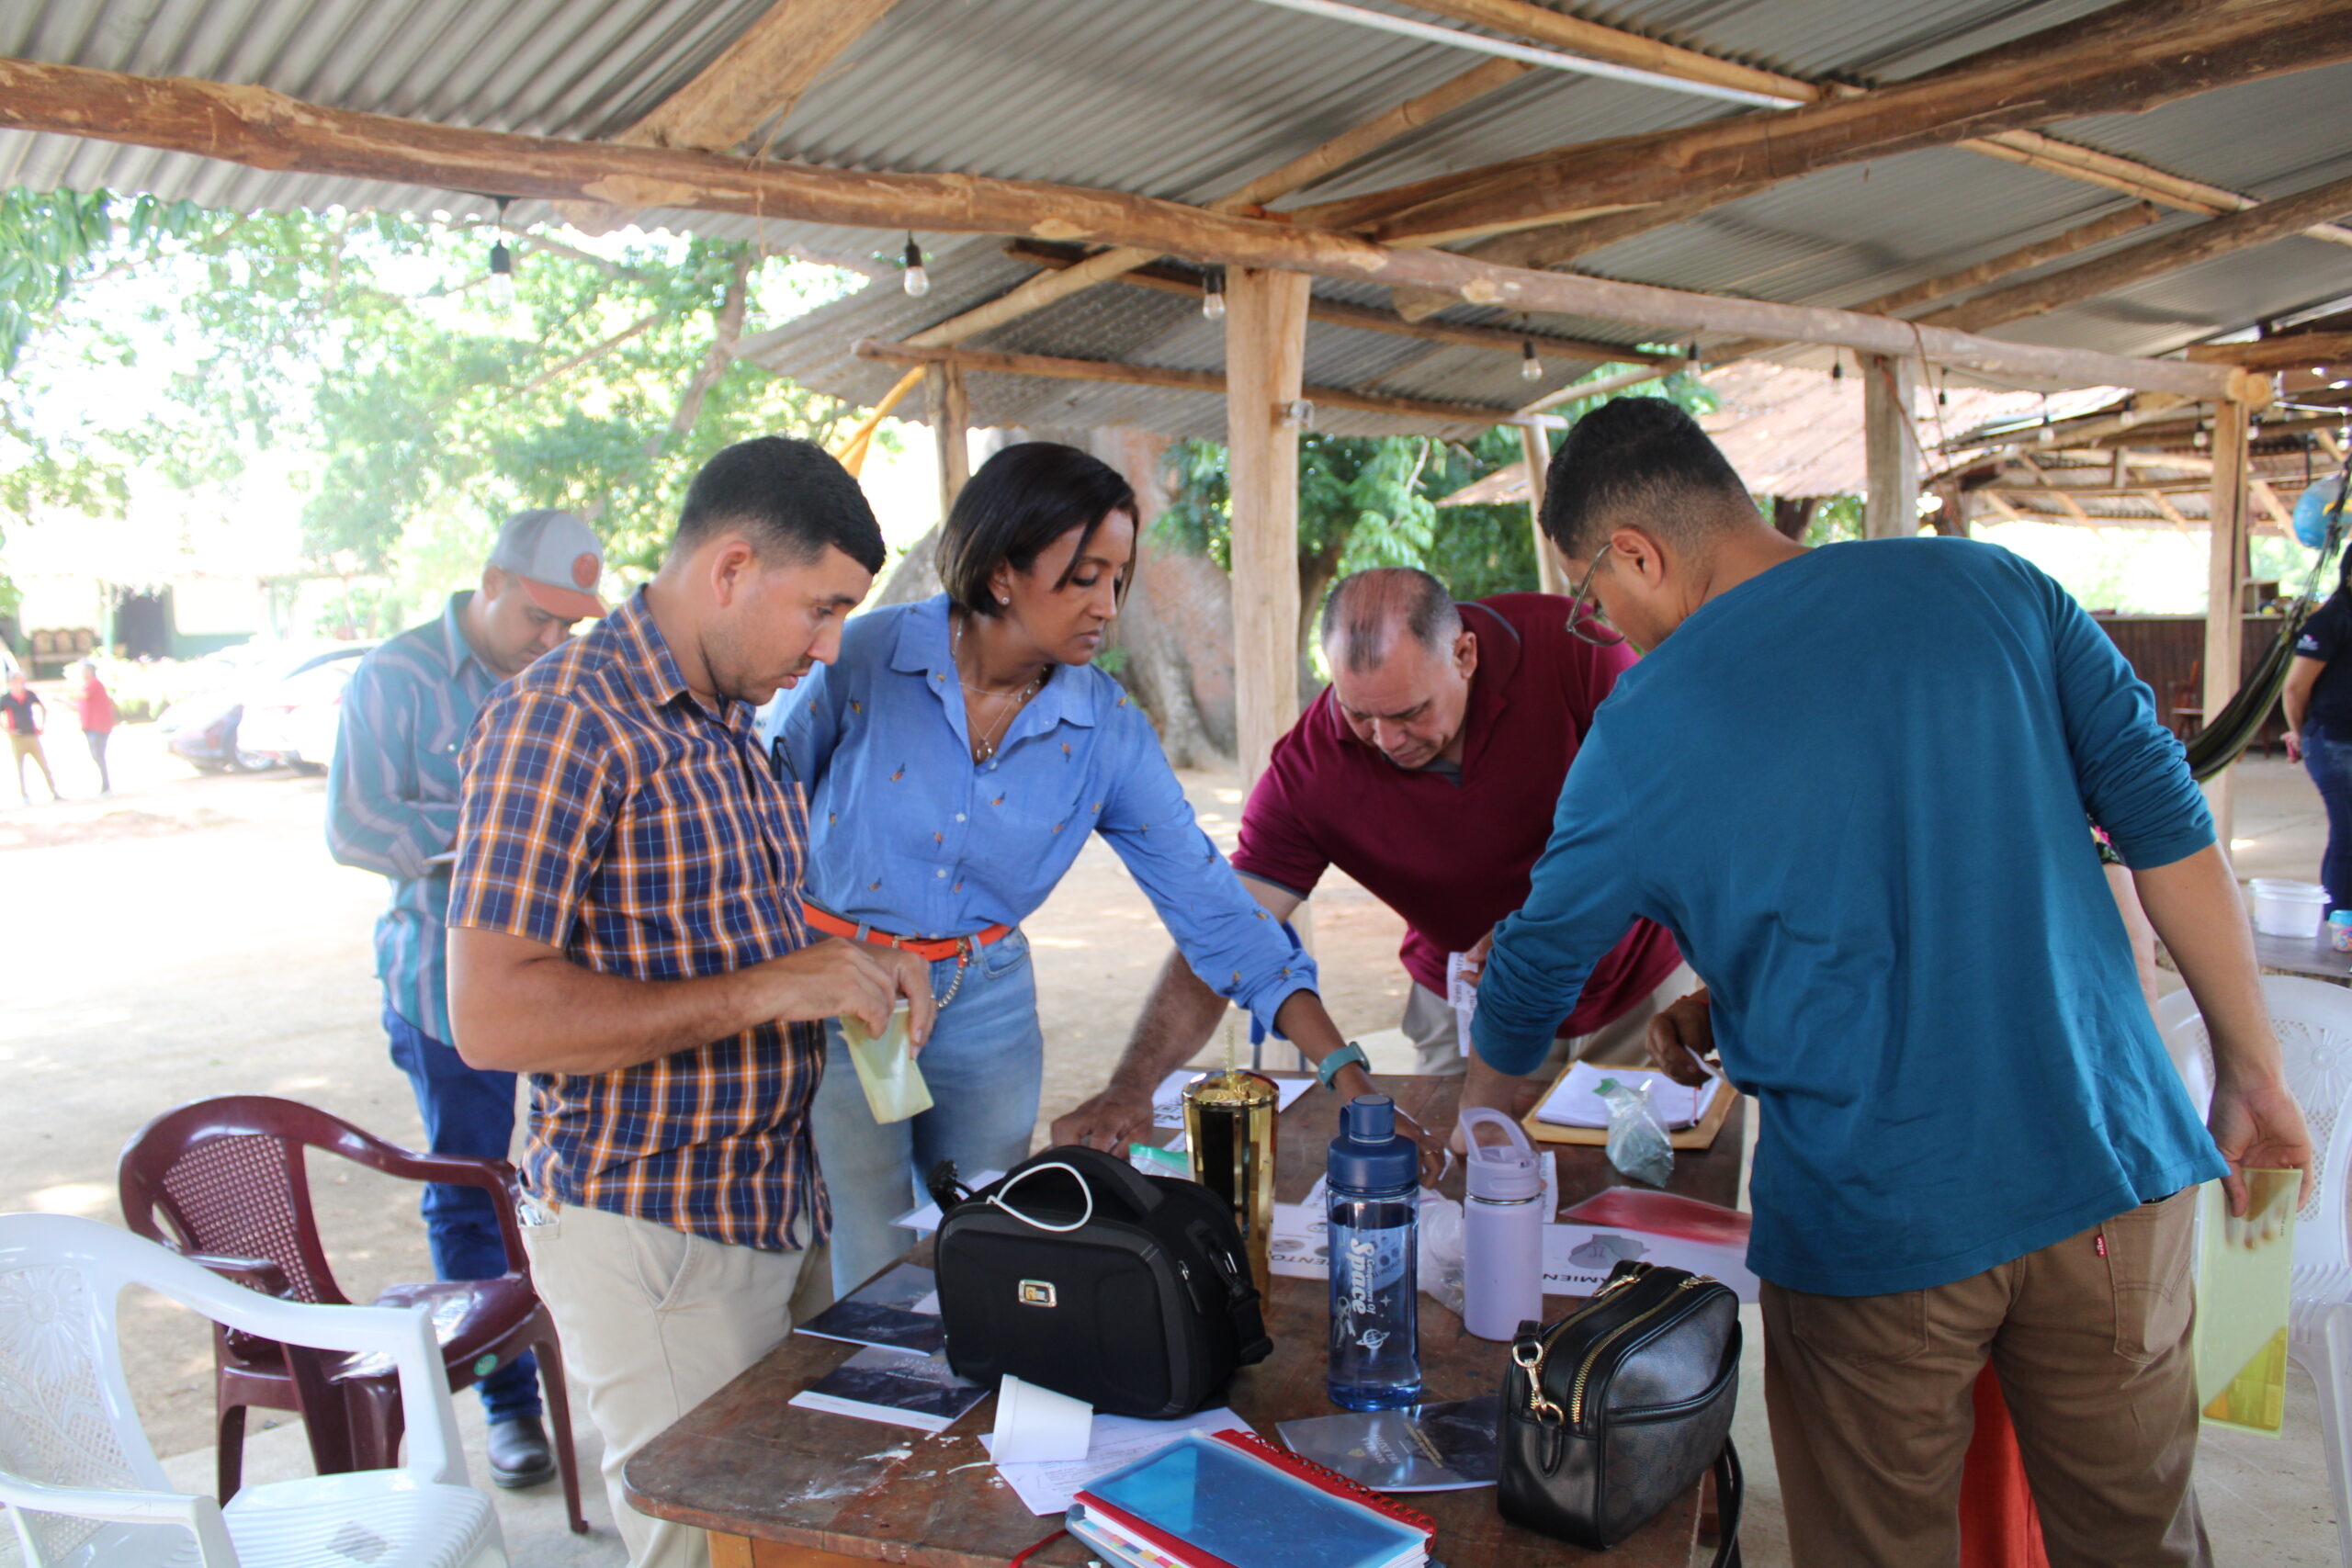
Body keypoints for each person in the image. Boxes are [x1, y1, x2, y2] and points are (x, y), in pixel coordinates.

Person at [1468, 398, 2310, 1568]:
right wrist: (2253, 1077)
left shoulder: (1643, 725)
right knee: (2143, 1545)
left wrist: (1478, 1124)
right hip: (2110, 1170)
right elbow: (2166, 831)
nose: (1597, 622)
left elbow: (1534, 975)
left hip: (1878, 1221)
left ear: (1635, 553)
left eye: (1589, 596)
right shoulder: (1996, 588)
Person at [770, 441, 1421, 1297]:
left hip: (983, 997)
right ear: (1003, 572)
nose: (1109, 607)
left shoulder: (1104, 730)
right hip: (839, 995)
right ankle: (882, 1423)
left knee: (984, 1238)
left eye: (1119, 577)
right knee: (870, 1247)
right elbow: (755, 817)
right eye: (1083, 576)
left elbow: (1218, 913)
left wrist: (1346, 1072)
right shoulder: (860, 660)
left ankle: (981, 1420)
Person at [447, 437, 933, 1568]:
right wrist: (769, 991)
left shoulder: (722, 720)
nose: (825, 650)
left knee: (798, 1535)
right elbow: (496, 1016)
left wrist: (855, 954)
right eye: (818, 610)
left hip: (768, 1199)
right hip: (654, 1227)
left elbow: (716, 922)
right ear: (729, 569)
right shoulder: (561, 719)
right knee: (703, 1552)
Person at [1055, 566, 1690, 1154]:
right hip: (1463, 995)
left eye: (1411, 712)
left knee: (1645, 1170)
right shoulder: (1309, 771)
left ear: (1464, 655)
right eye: (1359, 714)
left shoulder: (1574, 651)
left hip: (1633, 976)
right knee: (1462, 1167)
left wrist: (1549, 924)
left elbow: (1671, 808)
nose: (1387, 742)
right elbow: (1225, 934)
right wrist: (1134, 1083)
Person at [324, 510, 607, 1488]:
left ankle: (599, 1370)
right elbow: (354, 826)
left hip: (568, 977)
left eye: (567, 624)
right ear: (490, 582)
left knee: (580, 1179)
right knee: (473, 1188)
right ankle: (511, 1409)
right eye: (537, 616)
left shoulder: (565, 681)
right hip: (441, 990)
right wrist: (492, 830)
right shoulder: (394, 678)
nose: (550, 640)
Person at [2285, 553, 2352, 912]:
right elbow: (2295, 688)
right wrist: (2301, 734)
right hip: (2333, 740)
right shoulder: (2330, 621)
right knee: (2349, 835)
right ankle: (2341, 923)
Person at [3, 671, 58, 805]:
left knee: (43, 764)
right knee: (20, 767)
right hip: (17, 737)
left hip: (32, 734)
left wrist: (41, 725)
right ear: (12, 682)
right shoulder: (6, 698)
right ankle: (24, 795)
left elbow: (42, 708)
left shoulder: (29, 695)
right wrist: (7, 730)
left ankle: (54, 791)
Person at [68, 660, 116, 795]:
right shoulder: (88, 686)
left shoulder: (93, 684)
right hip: (91, 726)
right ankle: (104, 785)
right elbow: (79, 706)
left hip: (98, 727)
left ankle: (106, 786)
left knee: (98, 755)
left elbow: (82, 696)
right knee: (96, 756)